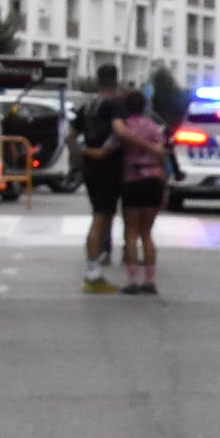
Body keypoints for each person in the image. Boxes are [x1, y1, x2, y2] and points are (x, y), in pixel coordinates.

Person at [111, 92, 169, 296]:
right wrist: (165, 186)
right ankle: (150, 280)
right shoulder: (155, 127)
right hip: (154, 180)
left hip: (133, 179)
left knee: (132, 232)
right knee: (147, 233)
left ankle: (133, 279)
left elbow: (114, 149)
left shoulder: (124, 126)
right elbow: (163, 155)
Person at [74, 64, 125, 294]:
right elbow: (119, 131)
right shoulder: (114, 104)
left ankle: (93, 269)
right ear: (116, 80)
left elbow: (69, 135)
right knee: (101, 218)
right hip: (108, 168)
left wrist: (81, 154)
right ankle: (92, 274)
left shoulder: (88, 105)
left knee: (98, 216)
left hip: (90, 168)